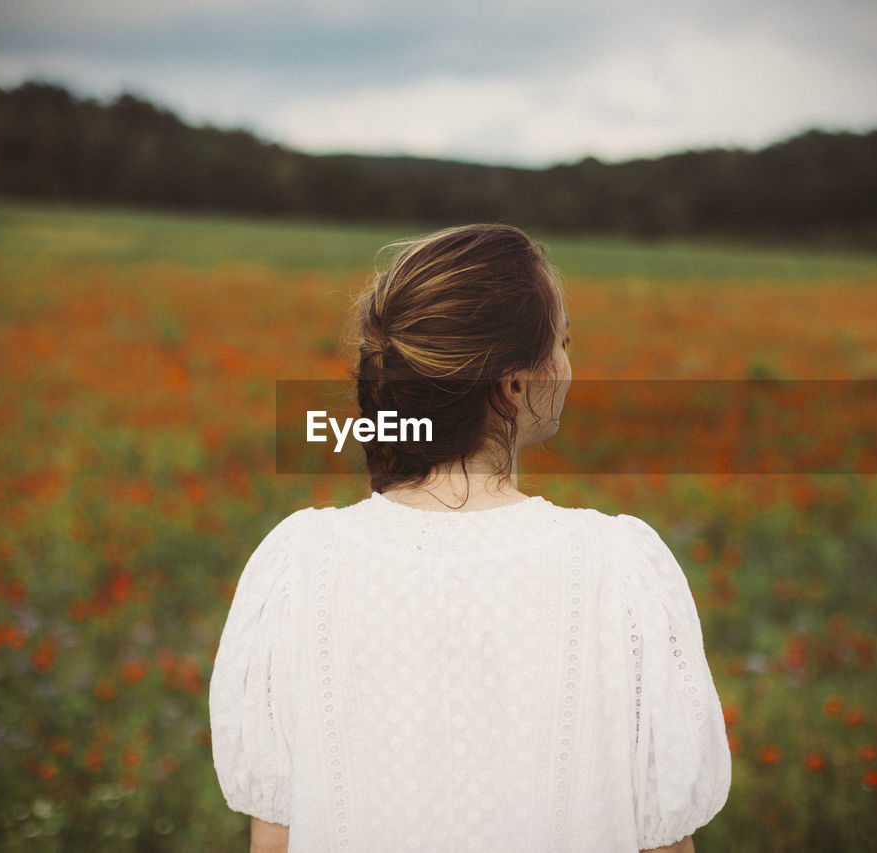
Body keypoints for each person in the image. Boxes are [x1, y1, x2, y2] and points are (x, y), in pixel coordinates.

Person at [210, 224, 731, 852]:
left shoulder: (298, 562)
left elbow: (275, 842)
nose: (568, 365)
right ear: (513, 386)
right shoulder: (617, 568)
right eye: (562, 344)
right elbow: (664, 846)